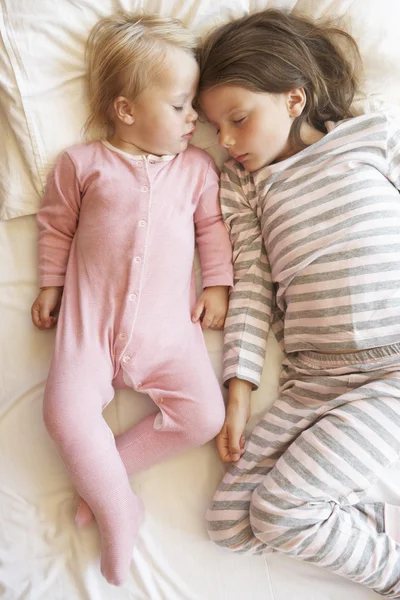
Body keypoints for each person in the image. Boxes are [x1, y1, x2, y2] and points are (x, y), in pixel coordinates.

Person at [197, 8, 400, 598]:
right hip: (312, 381)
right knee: (229, 527)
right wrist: (237, 392)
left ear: (294, 98)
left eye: (238, 119)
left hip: (391, 370)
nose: (227, 141)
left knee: (282, 513)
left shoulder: (371, 136)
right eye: (215, 128)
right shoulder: (245, 185)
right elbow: (252, 286)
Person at [31, 12, 233, 586]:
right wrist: (52, 284)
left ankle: (107, 483)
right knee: (63, 413)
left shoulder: (196, 169)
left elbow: (213, 229)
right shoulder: (82, 164)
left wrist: (216, 282)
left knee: (204, 415)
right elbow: (54, 228)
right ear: (126, 111)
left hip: (168, 331)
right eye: (179, 106)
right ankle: (121, 510)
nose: (195, 118)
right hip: (88, 324)